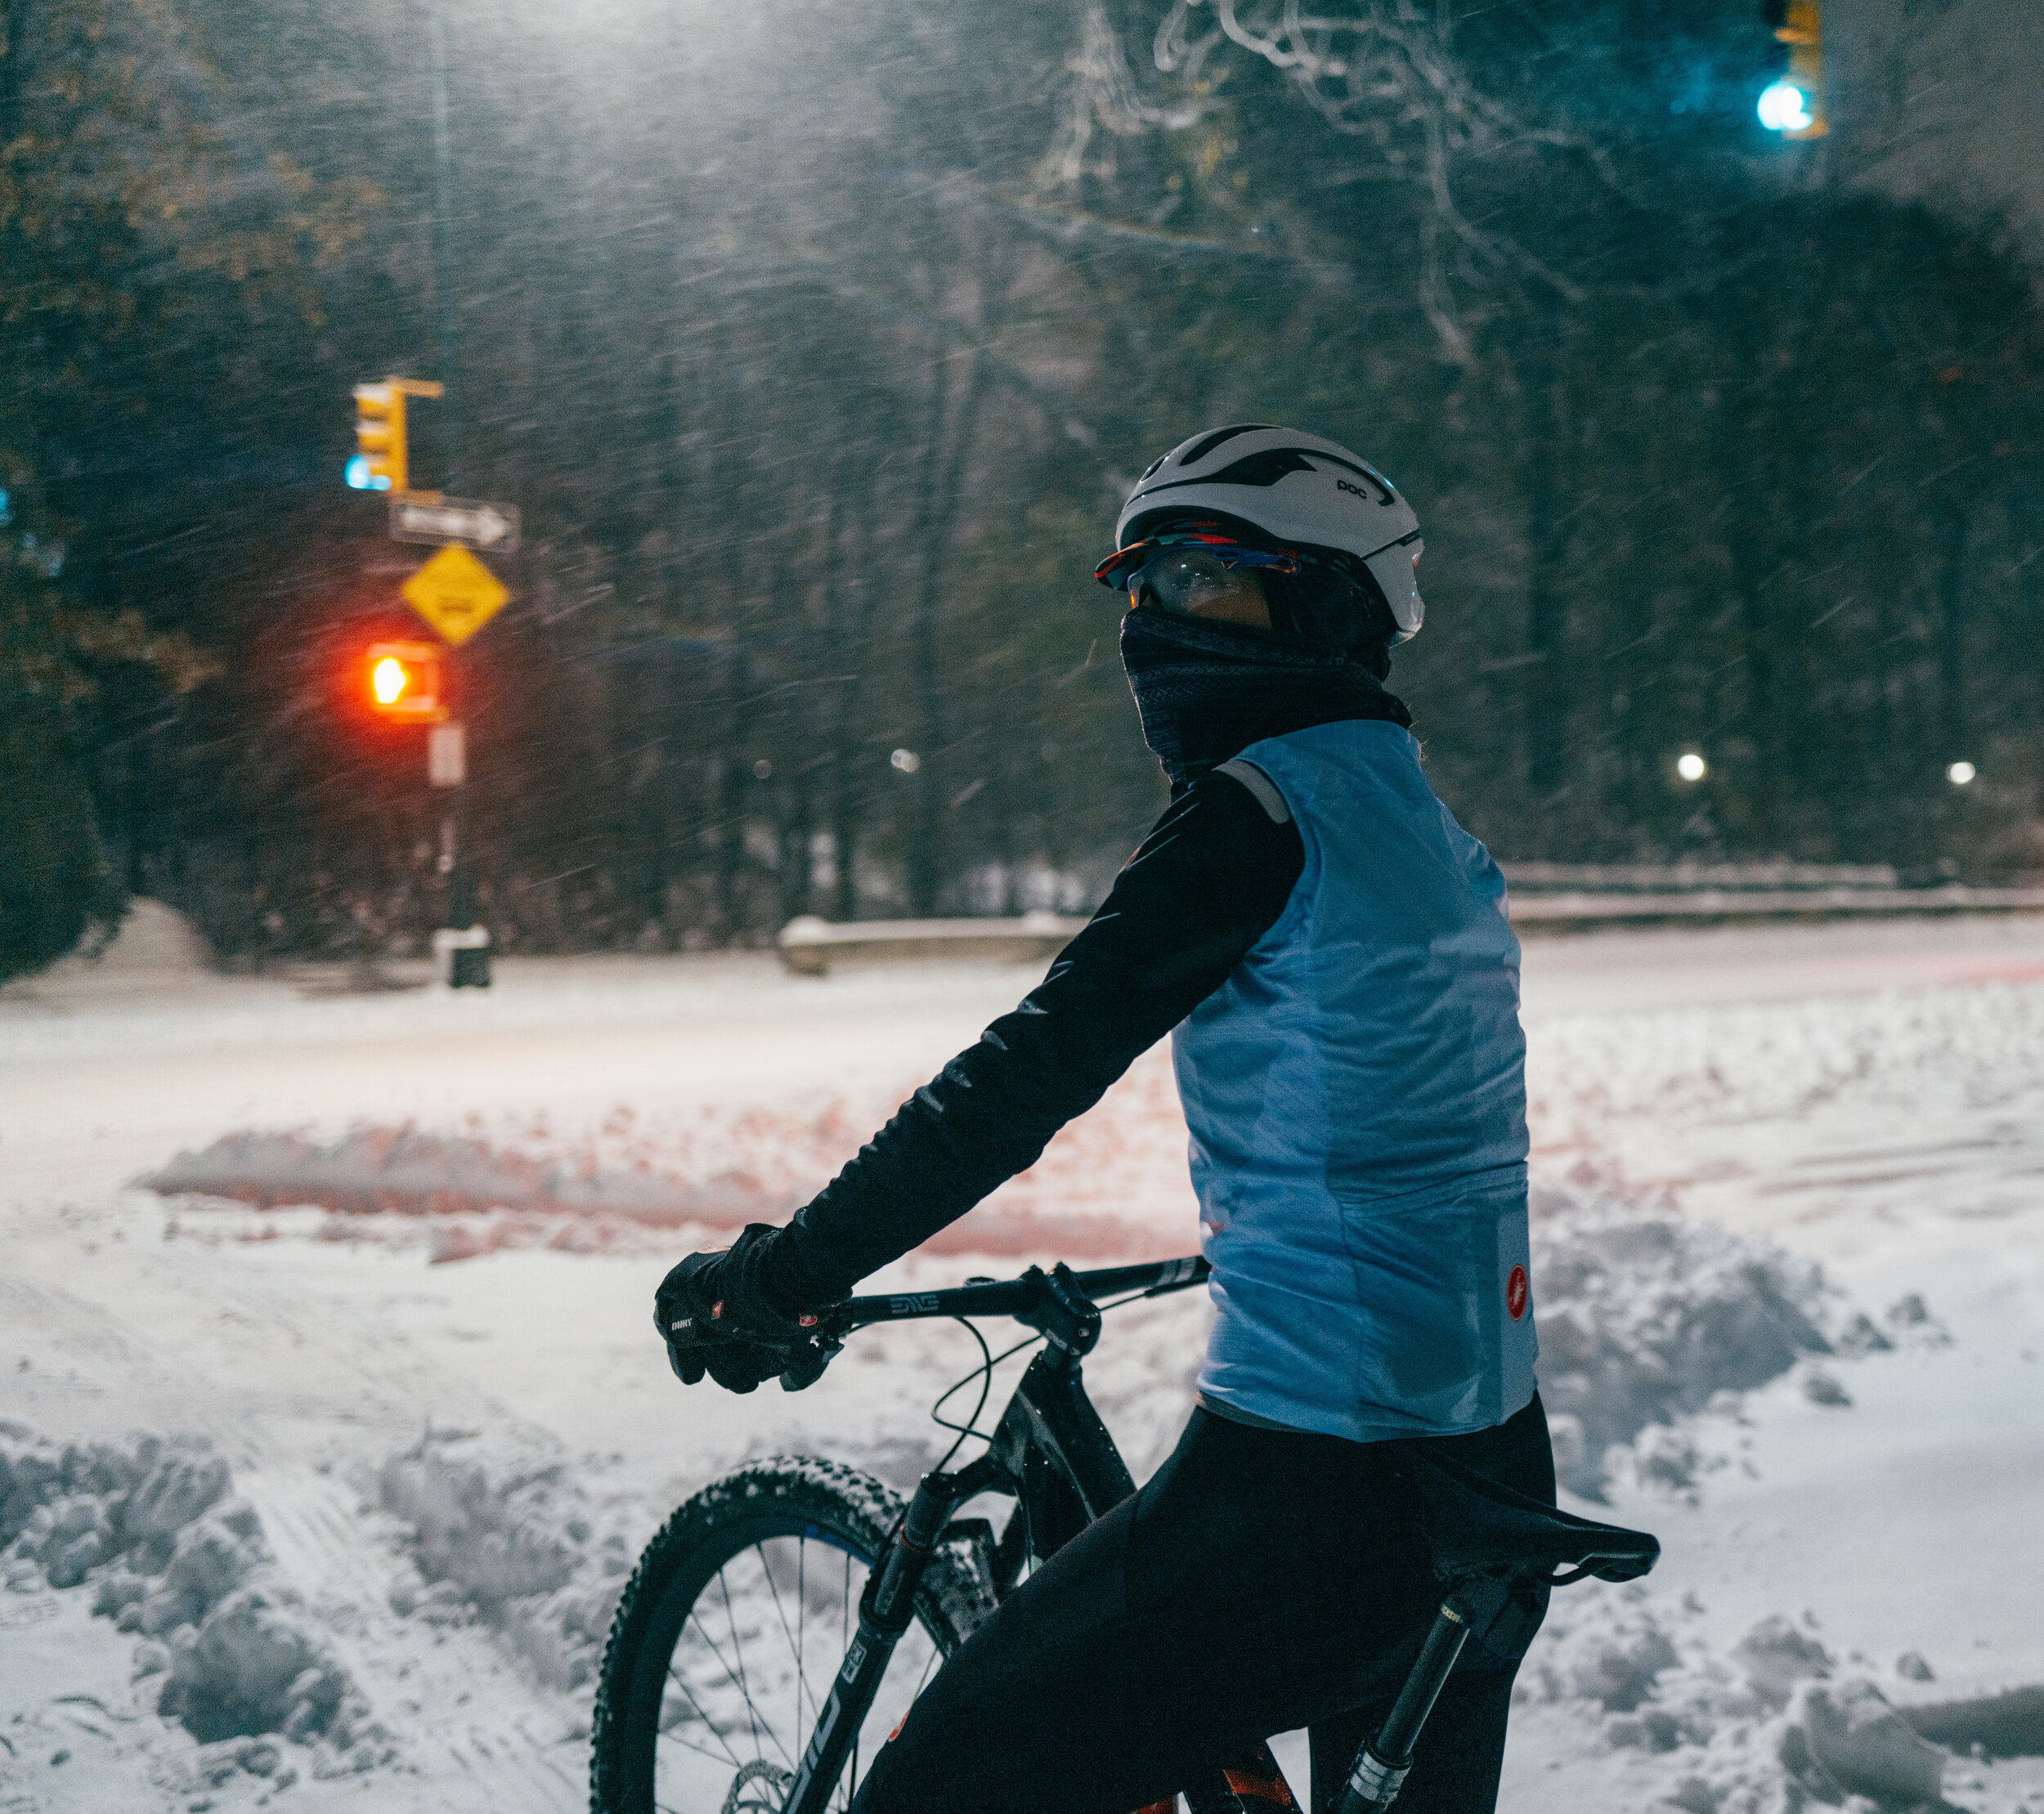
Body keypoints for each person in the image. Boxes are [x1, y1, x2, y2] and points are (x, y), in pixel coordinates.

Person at [655, 425, 1553, 1814]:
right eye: (1133, 583)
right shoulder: (1429, 830)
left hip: (1308, 1495)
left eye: (1201, 577)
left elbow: (1020, 1079)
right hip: (1486, 1461)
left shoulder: (1255, 815)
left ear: (1325, 600)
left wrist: (786, 1274)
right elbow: (1398, 1128)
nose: (1150, 620)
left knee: (933, 1793)